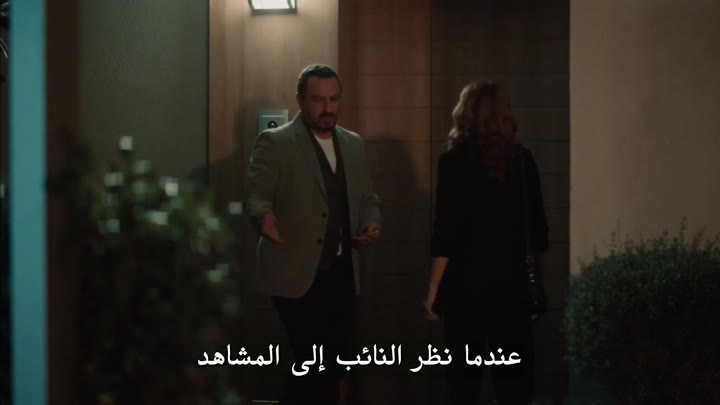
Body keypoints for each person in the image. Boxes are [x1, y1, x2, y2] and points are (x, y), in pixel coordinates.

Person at [245, 64, 382, 405]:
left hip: (342, 273)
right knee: (313, 362)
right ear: (300, 100)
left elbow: (367, 198)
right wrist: (263, 217)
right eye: (319, 100)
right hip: (293, 270)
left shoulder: (352, 143)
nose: (328, 107)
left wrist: (370, 223)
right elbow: (257, 195)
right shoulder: (276, 142)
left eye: (334, 99)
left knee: (329, 365)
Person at [422, 81, 549, 405]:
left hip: (464, 293)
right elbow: (538, 232)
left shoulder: (452, 162)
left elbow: (445, 233)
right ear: (505, 115)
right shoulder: (524, 161)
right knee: (514, 389)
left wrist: (433, 289)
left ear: (465, 114)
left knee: (463, 386)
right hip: (513, 292)